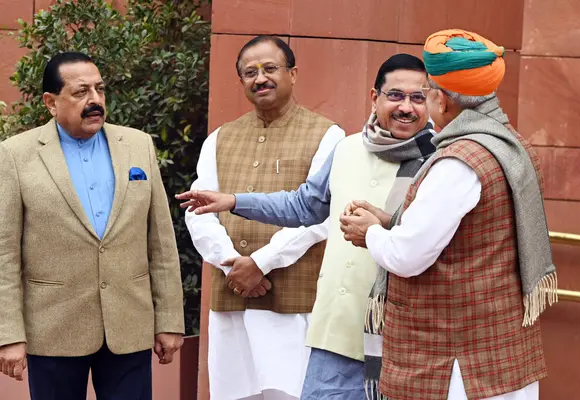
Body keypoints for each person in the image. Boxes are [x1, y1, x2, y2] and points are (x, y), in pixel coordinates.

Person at [177, 54, 436, 399]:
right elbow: (305, 205)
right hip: (336, 333)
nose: (407, 107)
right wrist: (235, 202)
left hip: (404, 337)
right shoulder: (347, 149)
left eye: (418, 97)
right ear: (374, 98)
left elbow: (435, 243)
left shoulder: (440, 161)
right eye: (395, 96)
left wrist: (384, 226)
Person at [339, 29, 556, 400]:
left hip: (456, 368)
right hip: (499, 356)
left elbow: (406, 257)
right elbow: (471, 232)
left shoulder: (458, 161)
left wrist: (371, 233)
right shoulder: (506, 142)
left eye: (427, 93)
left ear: (443, 100)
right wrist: (391, 221)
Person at [0, 52, 184, 400]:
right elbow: (3, 253)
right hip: (52, 329)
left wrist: (170, 319)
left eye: (100, 89)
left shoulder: (137, 145)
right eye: (81, 91)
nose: (95, 100)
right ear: (51, 103)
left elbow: (160, 240)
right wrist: (8, 333)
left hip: (129, 323)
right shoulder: (15, 154)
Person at [184, 35, 345, 400]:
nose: (260, 78)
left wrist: (261, 262)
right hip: (232, 298)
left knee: (290, 392)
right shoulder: (219, 138)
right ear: (240, 81)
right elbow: (199, 209)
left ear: (293, 73)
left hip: (291, 300)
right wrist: (232, 266)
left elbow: (321, 215)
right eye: (250, 72)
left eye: (270, 68)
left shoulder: (328, 135)